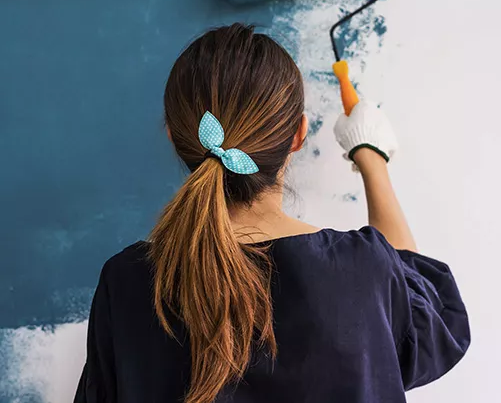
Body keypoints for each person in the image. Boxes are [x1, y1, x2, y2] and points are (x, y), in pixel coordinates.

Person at [75, 23, 470, 403]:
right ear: (299, 135)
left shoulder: (126, 283)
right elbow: (431, 320)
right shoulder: (360, 269)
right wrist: (371, 156)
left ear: (174, 137)